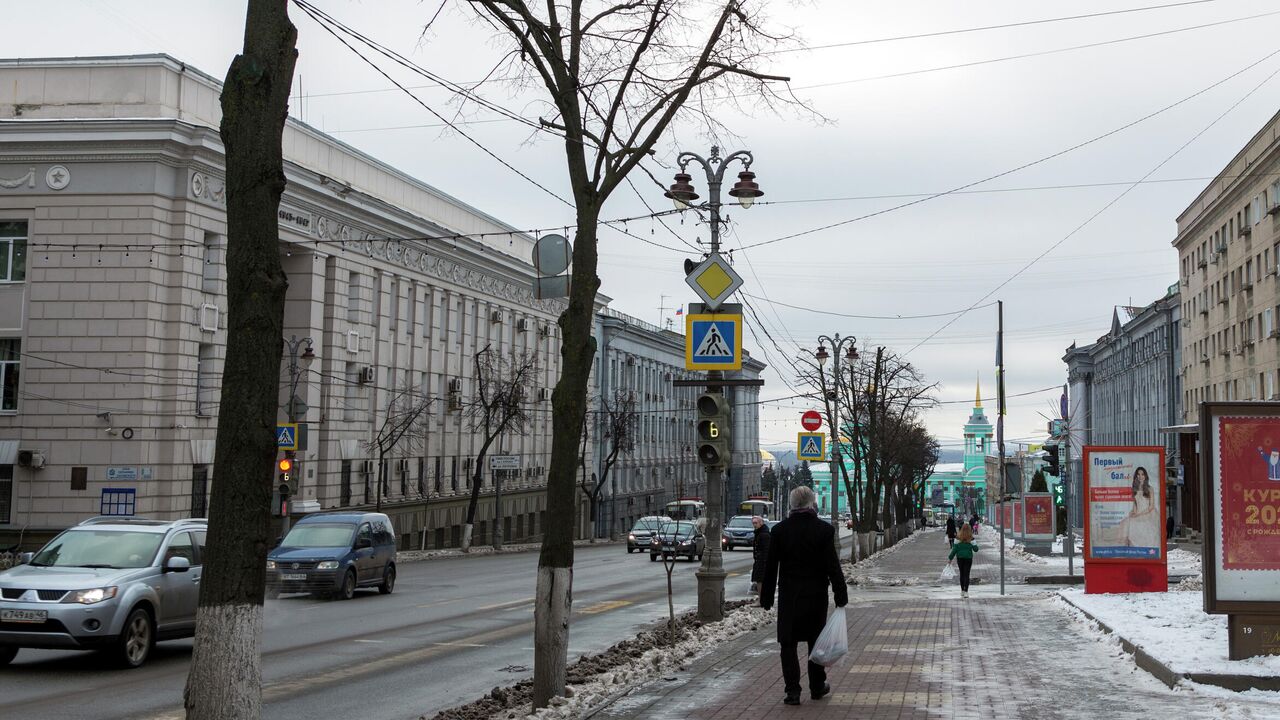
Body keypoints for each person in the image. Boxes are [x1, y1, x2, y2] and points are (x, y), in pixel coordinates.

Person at [760, 485, 848, 706]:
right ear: (811, 503)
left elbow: (771, 567)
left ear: (791, 505)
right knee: (815, 642)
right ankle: (817, 686)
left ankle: (792, 691)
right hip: (815, 596)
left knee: (787, 644)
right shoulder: (823, 530)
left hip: (790, 596)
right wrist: (840, 593)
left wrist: (767, 596)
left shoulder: (780, 531)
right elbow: (832, 566)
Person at [948, 524, 979, 598]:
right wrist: (973, 544)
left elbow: (954, 549)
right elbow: (976, 549)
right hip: (968, 558)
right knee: (967, 574)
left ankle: (962, 590)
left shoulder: (957, 538)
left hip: (960, 558)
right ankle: (966, 592)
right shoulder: (971, 539)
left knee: (962, 574)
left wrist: (950, 558)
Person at [750, 515, 771, 594]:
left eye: (756, 523)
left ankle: (761, 600)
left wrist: (764, 561)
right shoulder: (759, 533)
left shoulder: (764, 534)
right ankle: (761, 599)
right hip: (759, 560)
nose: (754, 525)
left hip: (762, 561)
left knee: (760, 580)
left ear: (761, 523)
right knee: (759, 580)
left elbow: (766, 549)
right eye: (753, 523)